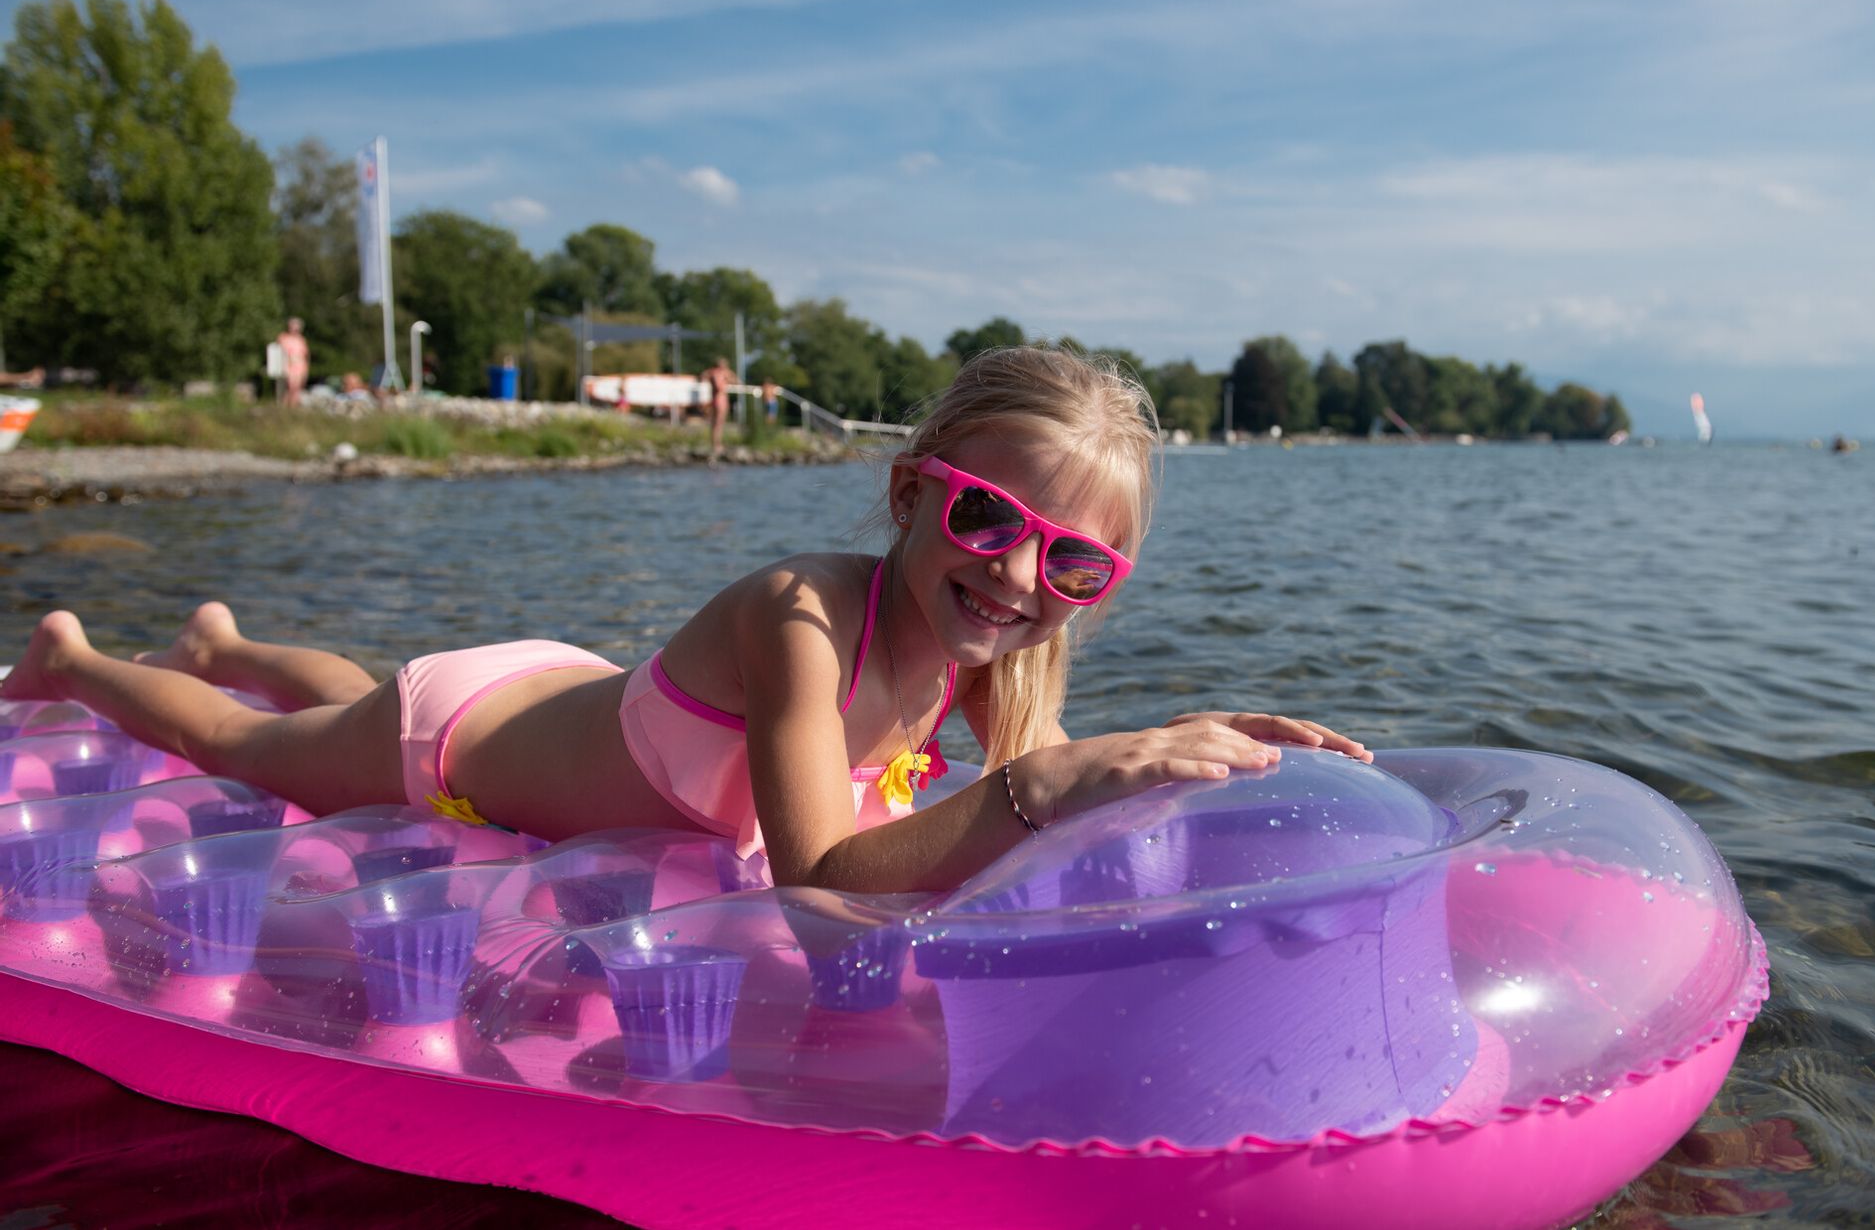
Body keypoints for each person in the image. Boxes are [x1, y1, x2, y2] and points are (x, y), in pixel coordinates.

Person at [1, 347, 1368, 894]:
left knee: (328, 687)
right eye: (986, 520)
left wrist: (1182, 755)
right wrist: (1046, 779)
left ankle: (228, 638)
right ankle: (86, 656)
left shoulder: (994, 648)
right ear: (907, 494)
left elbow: (1048, 797)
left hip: (576, 692)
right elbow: (822, 863)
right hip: (468, 735)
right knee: (261, 749)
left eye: (1074, 561)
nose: (1019, 576)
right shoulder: (800, 619)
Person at [700, 356, 736, 458]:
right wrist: (727, 380)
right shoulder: (722, 373)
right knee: (718, 423)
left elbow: (703, 376)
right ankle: (717, 445)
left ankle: (715, 444)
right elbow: (734, 381)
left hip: (715, 399)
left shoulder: (712, 372)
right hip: (721, 399)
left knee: (715, 423)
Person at [276, 318, 310, 408]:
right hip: (287, 365)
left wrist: (305, 370)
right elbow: (279, 353)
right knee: (287, 388)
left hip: (299, 366)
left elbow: (304, 355)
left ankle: (293, 408)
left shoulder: (301, 340)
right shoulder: (283, 337)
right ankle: (283, 408)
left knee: (296, 389)